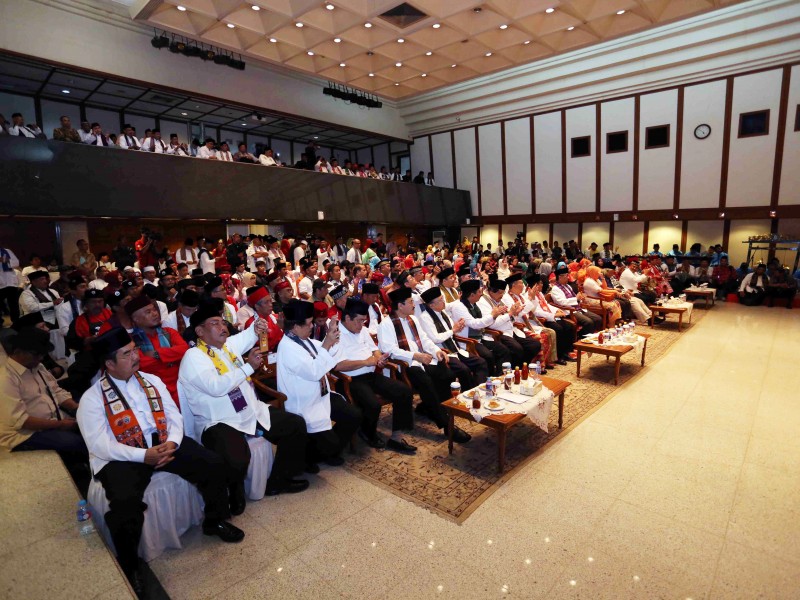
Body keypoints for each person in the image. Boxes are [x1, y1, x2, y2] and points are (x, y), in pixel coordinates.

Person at [78, 328, 243, 594]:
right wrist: (143, 455)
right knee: (124, 503)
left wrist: (173, 442)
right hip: (123, 455)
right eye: (127, 354)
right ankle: (130, 565)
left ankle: (215, 521)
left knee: (212, 463)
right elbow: (99, 445)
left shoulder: (151, 380)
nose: (136, 356)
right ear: (109, 363)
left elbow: (173, 415)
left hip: (164, 443)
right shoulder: (92, 398)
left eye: (135, 349)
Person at [178, 304, 310, 504]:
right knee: (237, 459)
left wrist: (256, 327)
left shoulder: (227, 345)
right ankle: (233, 492)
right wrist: (248, 367)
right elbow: (216, 387)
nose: (223, 327)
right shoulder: (194, 356)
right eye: (215, 323)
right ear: (199, 331)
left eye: (223, 322)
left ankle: (278, 481)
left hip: (248, 410)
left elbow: (246, 336)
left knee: (295, 425)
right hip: (219, 420)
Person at [0, 327, 89, 492]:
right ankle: (83, 481)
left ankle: (86, 470)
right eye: (36, 354)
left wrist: (78, 409)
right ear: (18, 351)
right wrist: (60, 425)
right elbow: (22, 421)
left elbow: (56, 391)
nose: (40, 358)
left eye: (42, 354)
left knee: (88, 427)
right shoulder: (6, 378)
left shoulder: (37, 367)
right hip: (24, 435)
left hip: (53, 419)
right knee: (76, 442)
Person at [378, 287, 470, 444]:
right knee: (426, 382)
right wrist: (415, 356)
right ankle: (446, 425)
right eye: (410, 302)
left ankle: (435, 409)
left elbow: (425, 339)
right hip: (404, 365)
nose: (414, 305)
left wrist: (436, 351)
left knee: (446, 374)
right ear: (400, 305)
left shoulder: (413, 319)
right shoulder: (386, 324)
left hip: (422, 359)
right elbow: (389, 350)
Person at [277, 299, 360, 472]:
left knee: (353, 415)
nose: (312, 326)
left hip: (321, 395)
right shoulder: (287, 347)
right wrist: (328, 343)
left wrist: (332, 335)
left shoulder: (302, 339)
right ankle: (309, 457)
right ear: (295, 326)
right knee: (331, 444)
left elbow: (323, 350)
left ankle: (320, 452)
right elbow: (314, 371)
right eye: (308, 323)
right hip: (304, 403)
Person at [331, 298, 416, 453]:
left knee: (403, 391)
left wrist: (379, 359)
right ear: (347, 318)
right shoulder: (335, 335)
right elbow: (337, 366)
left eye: (364, 320)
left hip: (369, 374)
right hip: (349, 380)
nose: (362, 324)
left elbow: (374, 350)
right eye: (359, 321)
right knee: (373, 404)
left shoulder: (362, 330)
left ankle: (397, 436)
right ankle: (367, 433)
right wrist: (365, 362)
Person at [418, 287, 489, 390]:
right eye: (440, 300)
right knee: (464, 370)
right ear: (431, 305)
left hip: (455, 348)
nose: (444, 302)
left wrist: (459, 325)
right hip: (443, 352)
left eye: (443, 298)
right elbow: (435, 338)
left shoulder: (443, 312)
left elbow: (452, 329)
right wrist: (453, 330)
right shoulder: (425, 317)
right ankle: (468, 393)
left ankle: (479, 389)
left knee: (481, 362)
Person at [125, 296, 189, 406]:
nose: (155, 314)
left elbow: (185, 350)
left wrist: (157, 354)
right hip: (152, 394)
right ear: (136, 319)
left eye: (154, 310)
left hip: (182, 389)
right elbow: (142, 364)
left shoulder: (169, 332)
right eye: (148, 312)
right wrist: (172, 356)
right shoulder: (131, 342)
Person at [447, 279, 512, 376]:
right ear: (472, 295)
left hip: (480, 336)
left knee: (503, 350)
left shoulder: (474, 304)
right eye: (479, 292)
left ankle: (500, 376)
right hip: (469, 341)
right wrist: (493, 315)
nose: (481, 294)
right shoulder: (459, 307)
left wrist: (495, 315)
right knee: (488, 356)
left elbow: (483, 322)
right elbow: (474, 324)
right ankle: (490, 379)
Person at [549, 268, 603, 333]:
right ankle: (582, 337)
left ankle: (586, 334)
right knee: (588, 322)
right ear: (560, 277)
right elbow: (562, 302)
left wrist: (581, 299)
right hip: (568, 311)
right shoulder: (555, 289)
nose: (568, 277)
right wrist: (577, 299)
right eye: (566, 276)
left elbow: (575, 298)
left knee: (598, 319)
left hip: (577, 308)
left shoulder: (568, 286)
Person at [0, 244, 21, 326]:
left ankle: (16, 322)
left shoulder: (7, 251)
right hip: (1, 283)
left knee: (13, 303)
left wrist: (7, 260)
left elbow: (16, 263)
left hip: (11, 282)